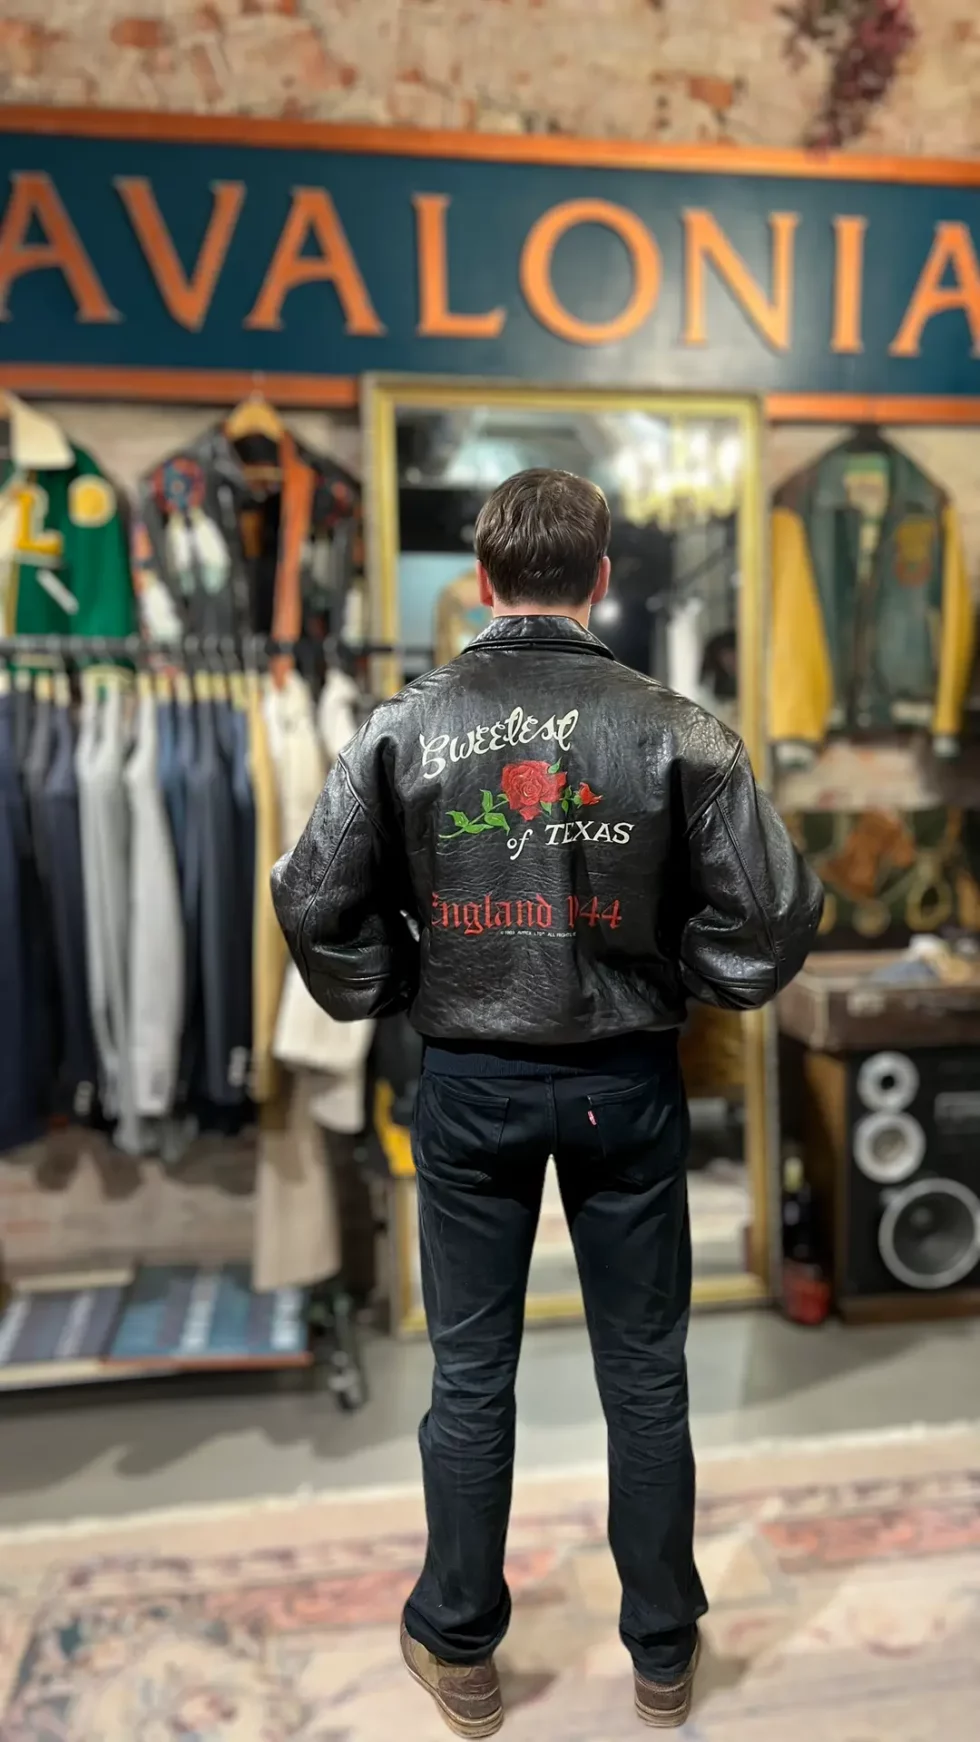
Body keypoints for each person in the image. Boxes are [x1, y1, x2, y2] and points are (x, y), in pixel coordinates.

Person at [272, 468, 823, 1735]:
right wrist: (673, 974)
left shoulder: (402, 726)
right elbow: (775, 914)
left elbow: (309, 895)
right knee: (646, 1373)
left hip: (469, 1083)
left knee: (470, 1374)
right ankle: (663, 1652)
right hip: (624, 1081)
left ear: (481, 578)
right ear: (600, 579)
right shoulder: (678, 729)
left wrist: (399, 983)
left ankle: (460, 1648)